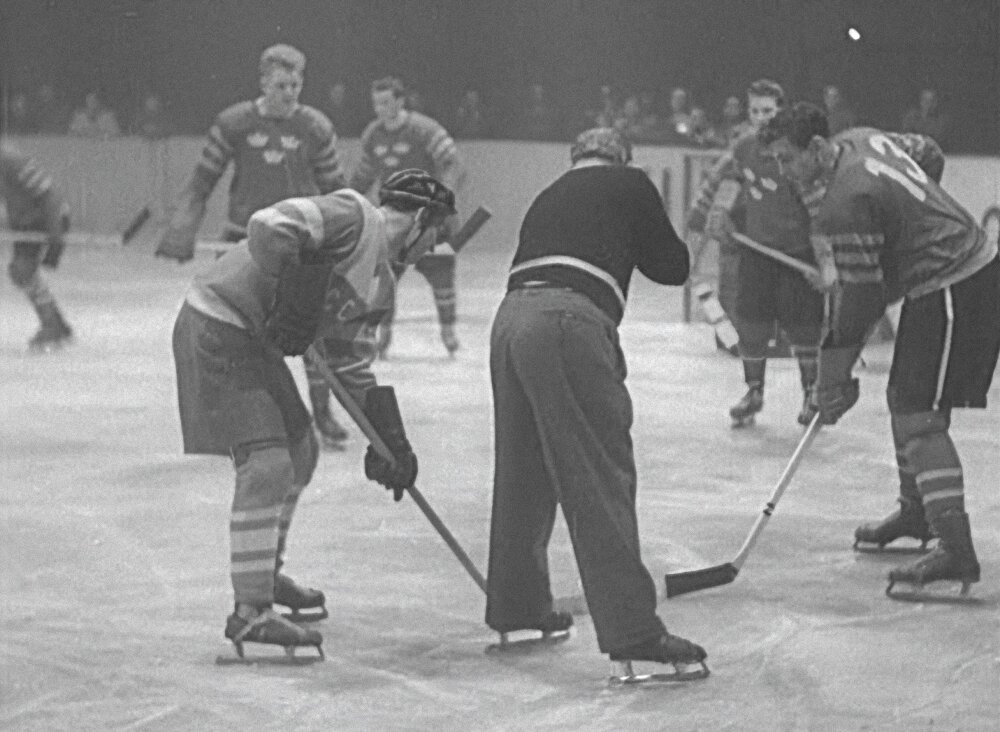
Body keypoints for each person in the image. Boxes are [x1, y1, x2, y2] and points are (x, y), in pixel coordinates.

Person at [171, 169, 456, 659]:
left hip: (253, 340)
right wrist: (296, 287)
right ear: (419, 220)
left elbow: (349, 365)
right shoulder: (353, 215)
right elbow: (268, 225)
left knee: (301, 451)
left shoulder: (380, 284)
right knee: (267, 464)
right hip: (218, 321)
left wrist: (390, 440)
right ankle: (250, 612)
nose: (434, 246)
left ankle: (264, 574)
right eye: (436, 232)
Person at [485, 128, 708, 682]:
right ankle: (633, 631)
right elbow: (672, 267)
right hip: (568, 322)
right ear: (622, 157)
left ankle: (518, 606)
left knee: (523, 470)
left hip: (509, 322)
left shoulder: (550, 193)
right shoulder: (629, 182)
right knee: (598, 474)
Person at [761, 102, 998, 600]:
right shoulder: (862, 137)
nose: (783, 171)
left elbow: (861, 302)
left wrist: (832, 380)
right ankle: (917, 514)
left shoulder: (845, 203)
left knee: (918, 416)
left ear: (818, 148)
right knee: (902, 398)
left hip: (957, 283)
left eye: (787, 158)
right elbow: (927, 153)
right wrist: (909, 221)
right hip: (942, 279)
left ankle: (956, 550)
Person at [156, 44, 350, 449]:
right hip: (241, 241)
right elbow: (203, 180)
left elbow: (336, 190)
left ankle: (322, 413)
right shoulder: (234, 123)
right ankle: (253, 419)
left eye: (296, 84)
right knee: (240, 336)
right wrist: (181, 228)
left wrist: (347, 238)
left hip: (300, 244)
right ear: (263, 82)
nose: (289, 93)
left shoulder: (316, 127)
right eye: (281, 85)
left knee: (314, 333)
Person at [688, 79, 825, 427]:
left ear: (781, 111)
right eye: (755, 111)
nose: (761, 118)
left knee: (804, 328)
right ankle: (753, 391)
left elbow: (818, 208)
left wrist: (825, 260)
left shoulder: (793, 149)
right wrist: (704, 214)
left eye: (768, 111)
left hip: (797, 254)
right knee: (751, 324)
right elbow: (718, 178)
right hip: (756, 252)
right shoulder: (744, 147)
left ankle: (812, 393)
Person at [350, 76, 464, 358]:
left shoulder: (425, 130)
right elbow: (363, 175)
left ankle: (448, 332)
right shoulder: (373, 134)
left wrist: (442, 202)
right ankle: (382, 336)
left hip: (427, 219)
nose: (380, 109)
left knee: (441, 274)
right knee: (384, 278)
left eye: (385, 102)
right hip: (392, 222)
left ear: (401, 101)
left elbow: (453, 165)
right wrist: (346, 201)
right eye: (376, 103)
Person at [1, 129, 73, 351]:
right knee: (21, 272)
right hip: (26, 220)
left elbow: (49, 193)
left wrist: (55, 234)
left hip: (47, 217)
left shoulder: (10, 159)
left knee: (23, 270)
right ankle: (57, 324)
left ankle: (52, 325)